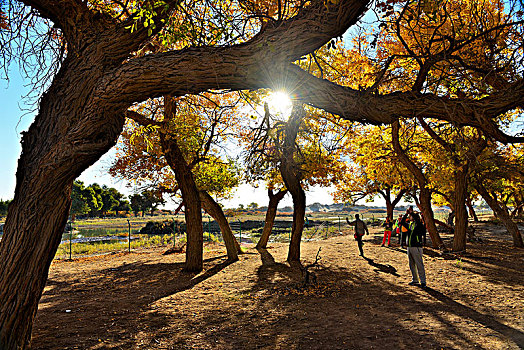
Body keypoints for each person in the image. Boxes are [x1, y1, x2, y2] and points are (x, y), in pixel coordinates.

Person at [400, 208, 427, 287]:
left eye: (410, 216)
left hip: (417, 247)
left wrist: (416, 215)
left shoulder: (419, 225)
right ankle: (415, 280)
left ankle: (423, 281)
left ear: (414, 218)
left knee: (419, 265)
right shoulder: (410, 225)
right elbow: (402, 222)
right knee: (412, 264)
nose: (409, 217)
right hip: (410, 247)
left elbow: (422, 228)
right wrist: (406, 214)